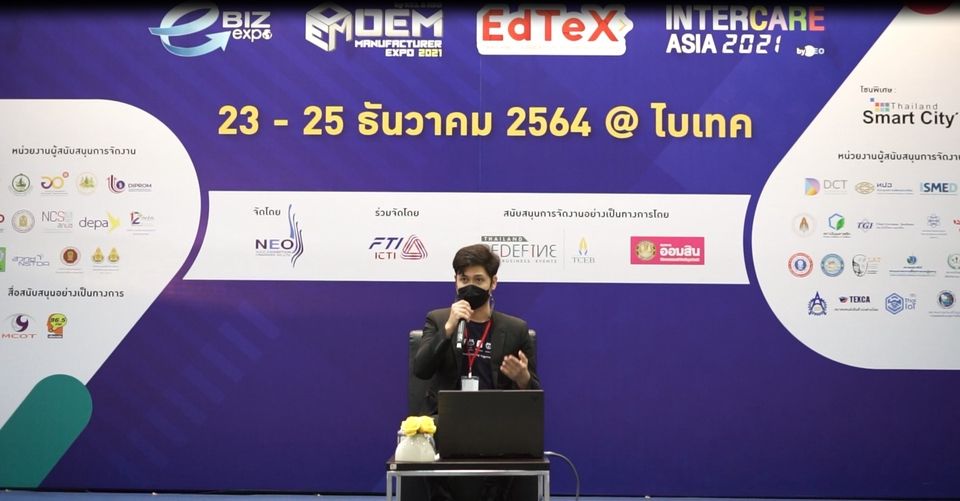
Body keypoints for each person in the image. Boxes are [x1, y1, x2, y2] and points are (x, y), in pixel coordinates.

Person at [413, 243, 540, 501]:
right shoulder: (438, 320)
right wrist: (448, 329)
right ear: (455, 282)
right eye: (464, 279)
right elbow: (421, 370)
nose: (470, 286)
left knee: (512, 441)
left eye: (479, 280)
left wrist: (522, 378)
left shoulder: (515, 329)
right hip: (445, 421)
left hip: (495, 421)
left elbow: (535, 394)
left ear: (493, 283)